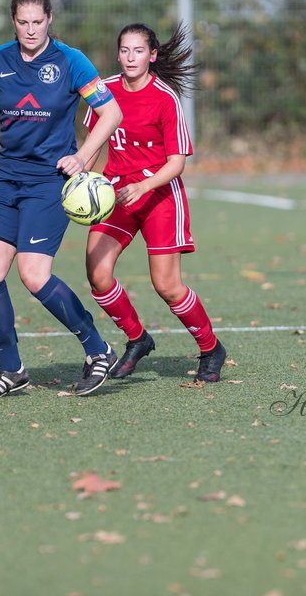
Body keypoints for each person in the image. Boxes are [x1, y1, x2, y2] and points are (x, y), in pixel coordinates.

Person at [0, 0, 123, 398]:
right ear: (13, 20)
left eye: (38, 22)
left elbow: (111, 112)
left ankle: (98, 349)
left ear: (49, 19)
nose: (31, 30)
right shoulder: (1, 59)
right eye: (23, 22)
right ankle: (11, 369)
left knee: (34, 275)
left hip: (48, 183)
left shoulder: (71, 61)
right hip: (7, 179)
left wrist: (84, 155)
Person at [83, 22, 227, 383]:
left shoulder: (165, 97)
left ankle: (211, 348)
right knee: (97, 274)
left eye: (139, 51)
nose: (131, 57)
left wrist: (144, 185)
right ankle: (137, 339)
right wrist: (80, 176)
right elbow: (94, 142)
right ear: (118, 54)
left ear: (152, 56)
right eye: (125, 50)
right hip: (117, 194)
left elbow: (177, 162)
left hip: (160, 196)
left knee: (166, 285)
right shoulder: (105, 91)